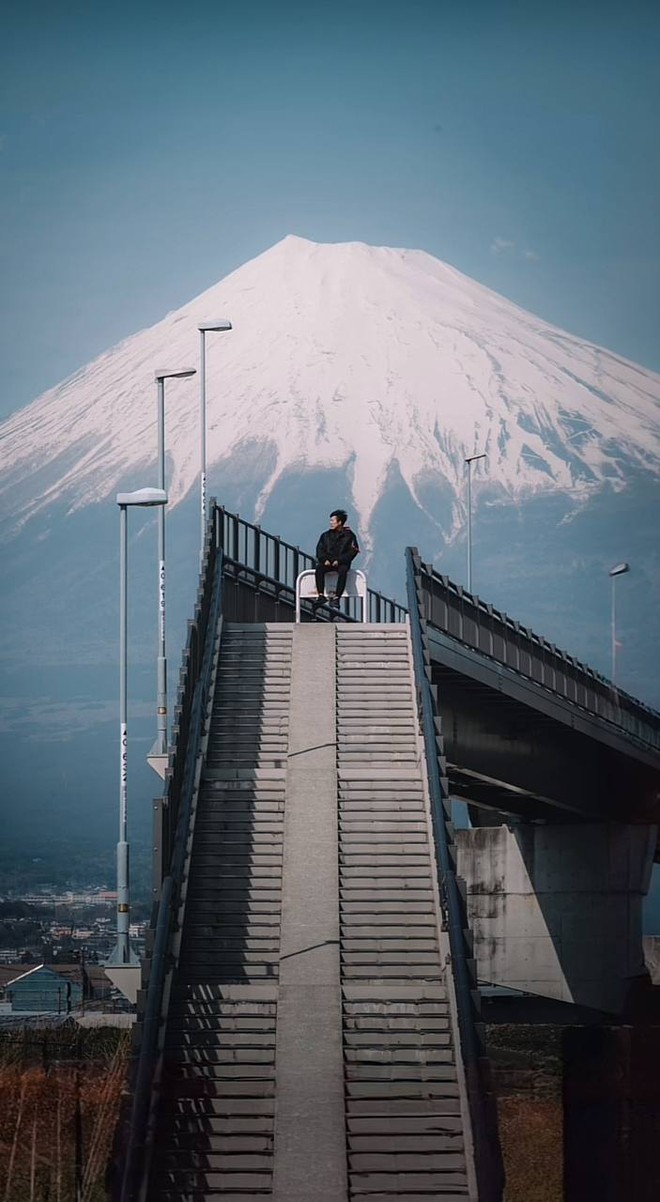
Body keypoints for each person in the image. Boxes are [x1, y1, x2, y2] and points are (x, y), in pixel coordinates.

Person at [313, 509, 360, 612]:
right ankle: (321, 595)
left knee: (343, 571)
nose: (331, 523)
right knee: (319, 569)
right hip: (328, 562)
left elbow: (353, 551)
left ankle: (336, 597)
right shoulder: (325, 535)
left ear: (339, 522)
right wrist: (324, 559)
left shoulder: (349, 535)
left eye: (333, 520)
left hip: (342, 563)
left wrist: (339, 560)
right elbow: (319, 549)